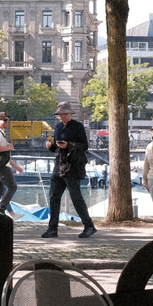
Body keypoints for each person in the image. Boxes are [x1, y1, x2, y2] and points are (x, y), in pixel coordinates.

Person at [40, 102, 97, 239]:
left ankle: (89, 226)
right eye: (60, 114)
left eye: (65, 113)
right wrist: (51, 146)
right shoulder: (58, 127)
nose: (62, 116)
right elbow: (57, 148)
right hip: (59, 164)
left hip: (73, 166)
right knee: (54, 197)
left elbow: (84, 146)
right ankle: (52, 229)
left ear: (70, 114)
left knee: (76, 197)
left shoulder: (78, 126)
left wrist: (69, 145)